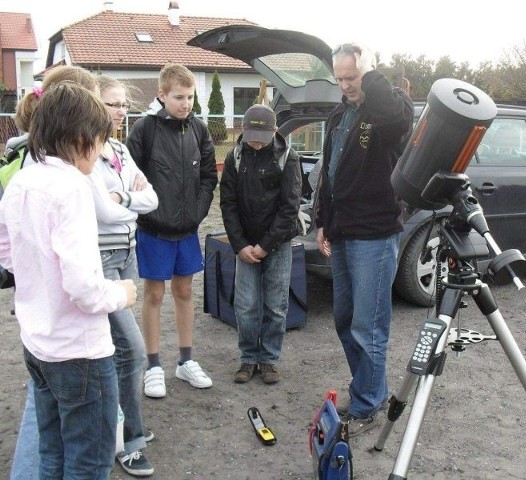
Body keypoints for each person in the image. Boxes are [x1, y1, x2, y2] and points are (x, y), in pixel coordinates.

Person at [0, 82, 137, 479]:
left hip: (38, 343)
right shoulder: (72, 187)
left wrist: (39, 274)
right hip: (79, 351)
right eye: (98, 142)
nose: (98, 154)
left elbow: (6, 248)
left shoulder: (23, 179)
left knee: (53, 451)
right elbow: (84, 288)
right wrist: (121, 293)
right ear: (81, 138)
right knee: (89, 461)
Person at [315, 43, 413, 436]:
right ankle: (370, 391)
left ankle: (369, 404)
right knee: (344, 320)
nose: (345, 85)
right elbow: (331, 169)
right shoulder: (339, 112)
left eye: (351, 77)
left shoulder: (389, 108)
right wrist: (323, 218)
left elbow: (395, 117)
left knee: (368, 325)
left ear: (368, 72)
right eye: (339, 78)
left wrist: (371, 76)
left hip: (374, 233)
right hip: (342, 230)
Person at [126, 63, 217, 398]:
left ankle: (185, 361)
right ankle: (152, 366)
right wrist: (146, 208)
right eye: (179, 97)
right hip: (153, 229)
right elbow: (130, 175)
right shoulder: (144, 129)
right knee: (153, 295)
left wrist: (197, 210)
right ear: (162, 95)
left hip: (186, 230)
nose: (186, 103)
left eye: (190, 96)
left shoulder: (200, 130)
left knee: (184, 293)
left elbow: (209, 175)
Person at [93, 74, 159, 476]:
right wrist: (126, 200)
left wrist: (124, 198)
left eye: (123, 105)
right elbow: (100, 210)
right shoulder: (83, 151)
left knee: (119, 351)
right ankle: (130, 440)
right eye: (113, 104)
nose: (121, 112)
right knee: (132, 350)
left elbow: (151, 199)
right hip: (99, 260)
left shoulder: (118, 148)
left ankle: (121, 426)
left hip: (126, 255)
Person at [220, 104, 302, 385]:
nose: (256, 141)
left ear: (275, 131)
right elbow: (227, 203)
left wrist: (266, 245)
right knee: (245, 305)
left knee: (276, 305)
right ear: (243, 129)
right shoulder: (235, 157)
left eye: (262, 135)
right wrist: (240, 245)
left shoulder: (289, 158)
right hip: (245, 246)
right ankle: (248, 358)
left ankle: (268, 360)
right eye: (251, 134)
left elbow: (289, 208)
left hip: (277, 244)